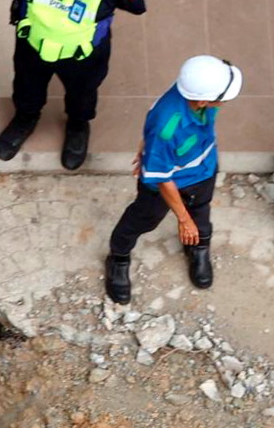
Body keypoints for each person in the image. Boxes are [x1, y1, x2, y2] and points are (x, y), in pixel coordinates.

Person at [0, 0, 145, 170]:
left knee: (83, 94)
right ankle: (25, 118)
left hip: (82, 54)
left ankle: (78, 125)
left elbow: (137, 5)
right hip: (33, 43)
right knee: (26, 87)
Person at [103, 55, 240, 303]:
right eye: (221, 98)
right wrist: (183, 220)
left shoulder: (197, 95)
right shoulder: (168, 125)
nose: (224, 102)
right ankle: (118, 257)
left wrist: (147, 147)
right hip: (165, 184)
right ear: (202, 100)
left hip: (203, 170)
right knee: (142, 220)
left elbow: (152, 126)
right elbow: (164, 179)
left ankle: (198, 246)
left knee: (201, 211)